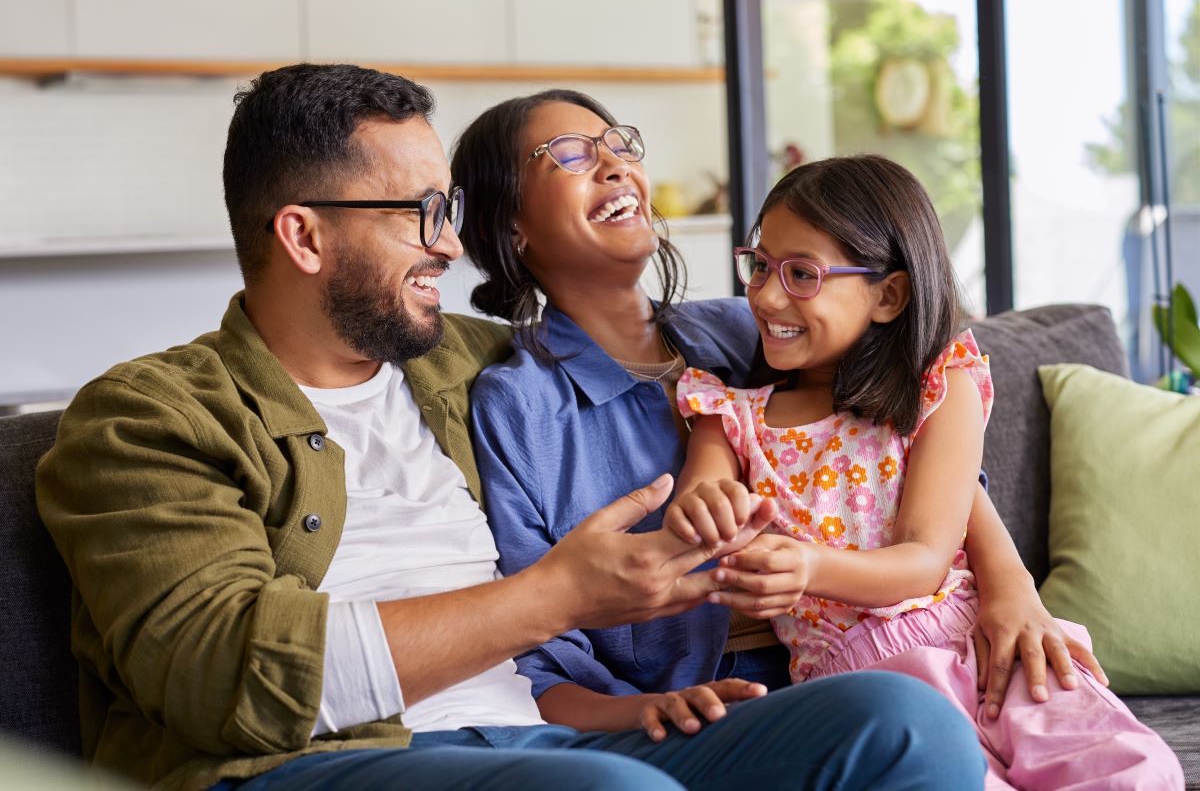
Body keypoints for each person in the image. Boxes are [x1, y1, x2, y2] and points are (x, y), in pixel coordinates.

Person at [34, 64, 986, 791]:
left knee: (904, 723)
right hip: (323, 760)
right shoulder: (143, 420)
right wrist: (557, 596)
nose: (451, 244)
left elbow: (896, 407)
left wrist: (1006, 581)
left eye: (449, 210)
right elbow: (225, 676)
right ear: (304, 236)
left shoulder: (468, 360)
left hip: (552, 741)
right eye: (420, 214)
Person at [454, 89, 1105, 739]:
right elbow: (529, 647)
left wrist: (1012, 585)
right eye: (569, 155)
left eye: (621, 145)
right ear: (509, 225)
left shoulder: (754, 327)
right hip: (718, 713)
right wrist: (637, 712)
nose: (617, 165)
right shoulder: (520, 404)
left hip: (899, 651)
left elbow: (915, 446)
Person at [664, 155, 1185, 789]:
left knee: (1132, 771)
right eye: (761, 265)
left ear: (889, 295)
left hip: (982, 645)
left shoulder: (938, 389)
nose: (768, 295)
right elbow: (701, 496)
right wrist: (703, 510)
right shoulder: (732, 416)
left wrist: (809, 568)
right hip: (860, 690)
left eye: (803, 274)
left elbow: (925, 558)